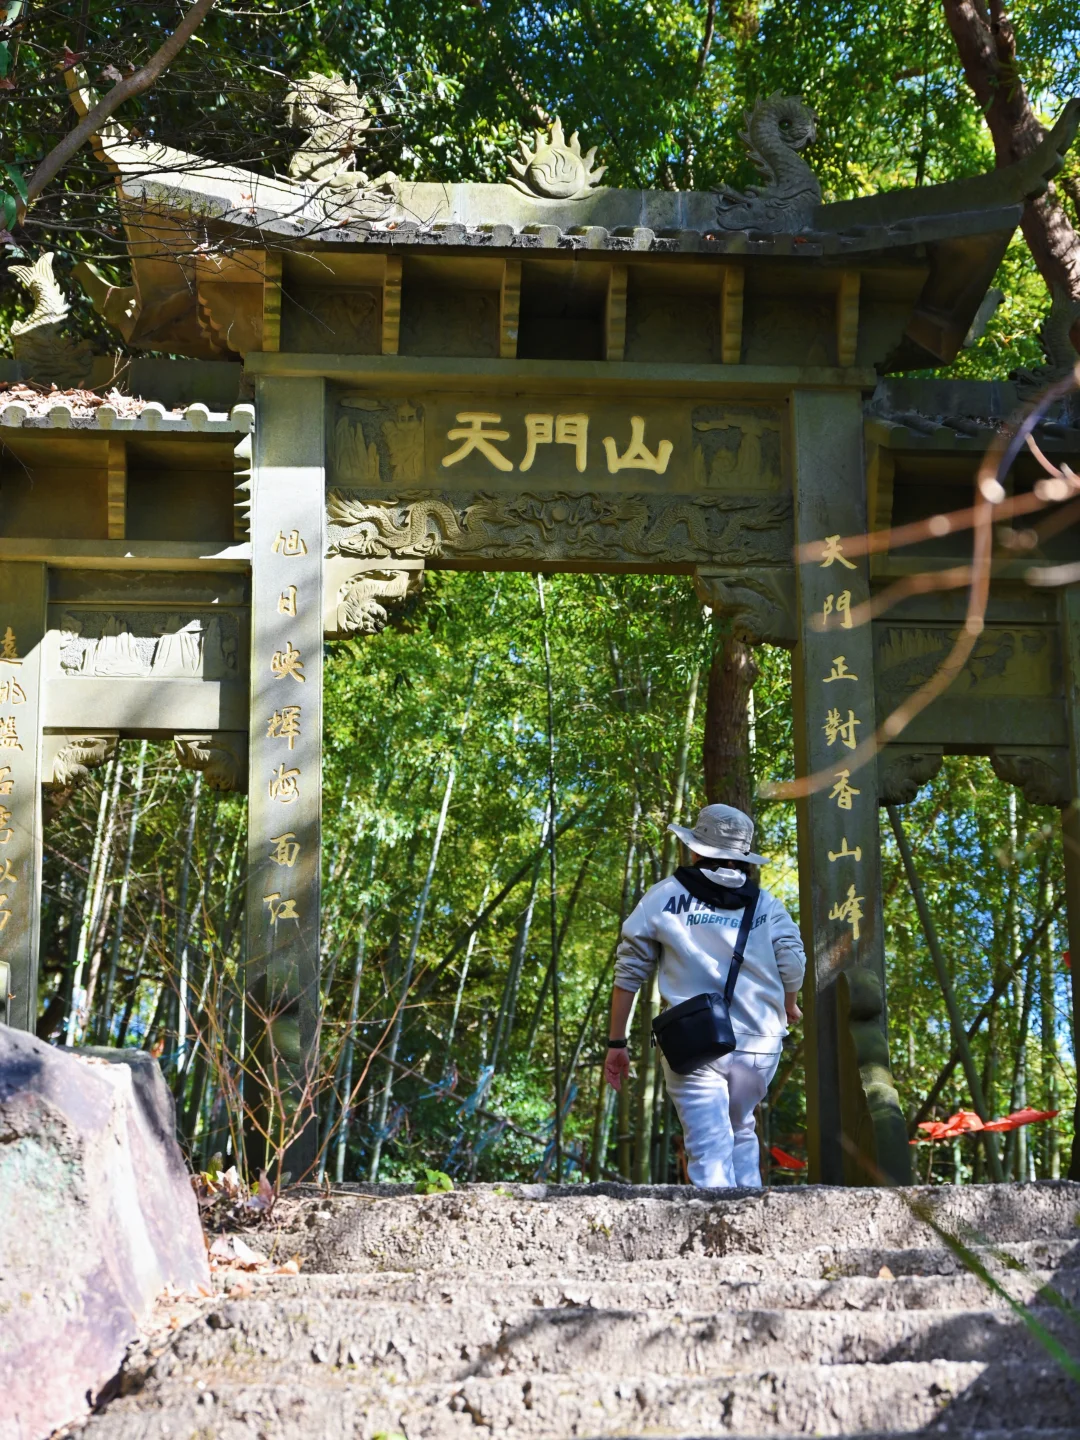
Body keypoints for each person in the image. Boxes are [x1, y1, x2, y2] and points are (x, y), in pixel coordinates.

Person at [604, 803, 806, 1189]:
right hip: (759, 1044)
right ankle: (750, 1227)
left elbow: (630, 972)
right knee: (741, 1129)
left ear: (696, 849)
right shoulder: (766, 904)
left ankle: (721, 1239)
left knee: (710, 1145)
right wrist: (789, 1003)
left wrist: (617, 1041)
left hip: (693, 1040)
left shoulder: (664, 896)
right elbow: (793, 961)